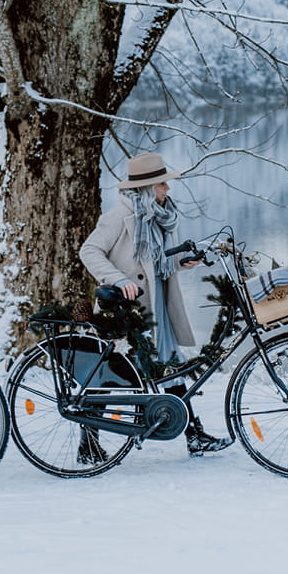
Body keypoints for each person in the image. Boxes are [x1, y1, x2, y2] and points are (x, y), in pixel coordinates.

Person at [79, 152, 231, 456]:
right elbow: (89, 251)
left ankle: (193, 434)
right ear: (147, 188)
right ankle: (89, 445)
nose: (168, 190)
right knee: (110, 377)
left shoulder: (161, 216)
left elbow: (159, 262)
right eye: (162, 184)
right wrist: (120, 280)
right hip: (127, 309)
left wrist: (186, 261)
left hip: (156, 305)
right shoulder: (118, 217)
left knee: (170, 366)